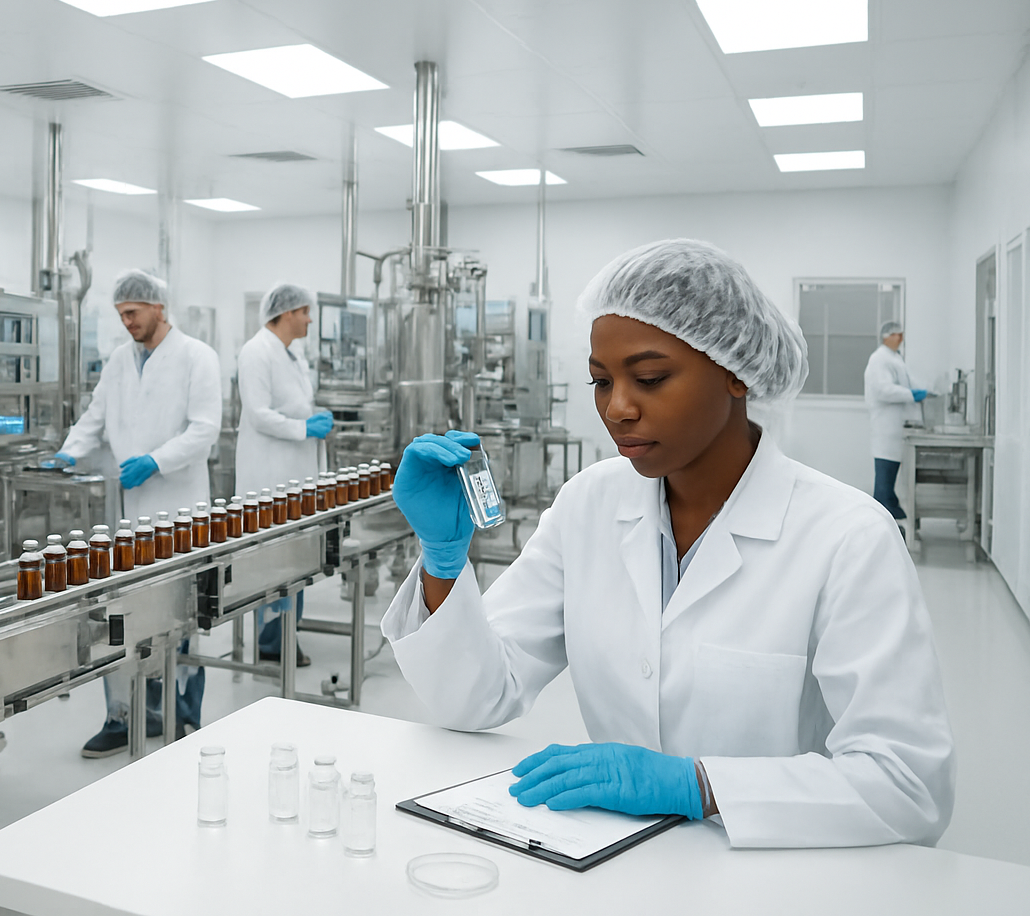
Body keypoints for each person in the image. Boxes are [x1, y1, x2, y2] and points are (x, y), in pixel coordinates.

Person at [383, 239, 954, 848]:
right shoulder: (589, 506)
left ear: (738, 372)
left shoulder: (848, 537)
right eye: (601, 381)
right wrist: (445, 559)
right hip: (608, 867)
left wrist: (699, 786)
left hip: (774, 876)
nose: (618, 408)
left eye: (650, 378)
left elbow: (909, 785)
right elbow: (478, 697)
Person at [54, 269, 222, 756]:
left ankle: (184, 715)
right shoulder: (119, 361)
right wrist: (69, 452)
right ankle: (121, 717)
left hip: (181, 513)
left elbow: (204, 429)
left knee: (182, 613)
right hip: (129, 515)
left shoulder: (197, 357)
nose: (126, 321)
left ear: (158, 307)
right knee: (122, 615)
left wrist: (156, 461)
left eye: (133, 312)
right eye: (121, 314)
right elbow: (96, 415)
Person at [235, 282, 333, 666]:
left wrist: (309, 420)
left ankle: (284, 635)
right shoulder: (257, 352)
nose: (309, 319)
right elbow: (258, 414)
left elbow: (291, 406)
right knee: (271, 563)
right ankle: (270, 642)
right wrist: (303, 428)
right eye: (305, 312)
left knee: (294, 560)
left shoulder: (291, 356)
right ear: (288, 312)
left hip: (294, 478)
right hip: (268, 478)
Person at [865, 321, 927, 524]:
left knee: (890, 483)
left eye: (902, 335)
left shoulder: (894, 358)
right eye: (896, 335)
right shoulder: (879, 359)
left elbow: (907, 382)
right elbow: (883, 390)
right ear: (886, 336)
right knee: (884, 484)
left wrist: (927, 391)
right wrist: (912, 394)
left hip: (896, 430)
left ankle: (893, 522)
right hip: (886, 429)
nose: (901, 339)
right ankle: (880, 525)